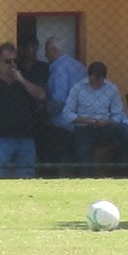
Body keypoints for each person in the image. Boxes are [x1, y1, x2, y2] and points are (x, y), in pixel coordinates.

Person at [0, 42, 46, 178]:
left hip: (25, 138)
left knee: (27, 176)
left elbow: (41, 95)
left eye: (15, 60)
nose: (12, 64)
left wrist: (21, 80)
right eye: (8, 61)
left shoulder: (25, 80)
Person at [63, 61, 128, 178]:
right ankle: (87, 175)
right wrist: (82, 119)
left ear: (104, 78)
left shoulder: (112, 89)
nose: (95, 85)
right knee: (83, 146)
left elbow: (118, 114)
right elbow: (66, 113)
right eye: (93, 80)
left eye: (99, 81)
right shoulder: (78, 88)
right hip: (84, 127)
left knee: (124, 129)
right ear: (89, 76)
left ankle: (124, 171)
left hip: (105, 127)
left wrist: (109, 121)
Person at [45, 36, 87, 176]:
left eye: (47, 51)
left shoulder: (59, 69)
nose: (45, 56)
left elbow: (59, 98)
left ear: (54, 50)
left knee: (56, 162)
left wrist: (46, 113)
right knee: (78, 162)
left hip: (62, 123)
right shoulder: (79, 66)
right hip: (81, 122)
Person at [17, 37, 54, 177]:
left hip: (41, 119)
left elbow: (44, 93)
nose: (34, 51)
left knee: (46, 155)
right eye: (31, 47)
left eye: (36, 47)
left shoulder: (44, 68)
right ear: (21, 49)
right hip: (21, 118)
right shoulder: (16, 68)